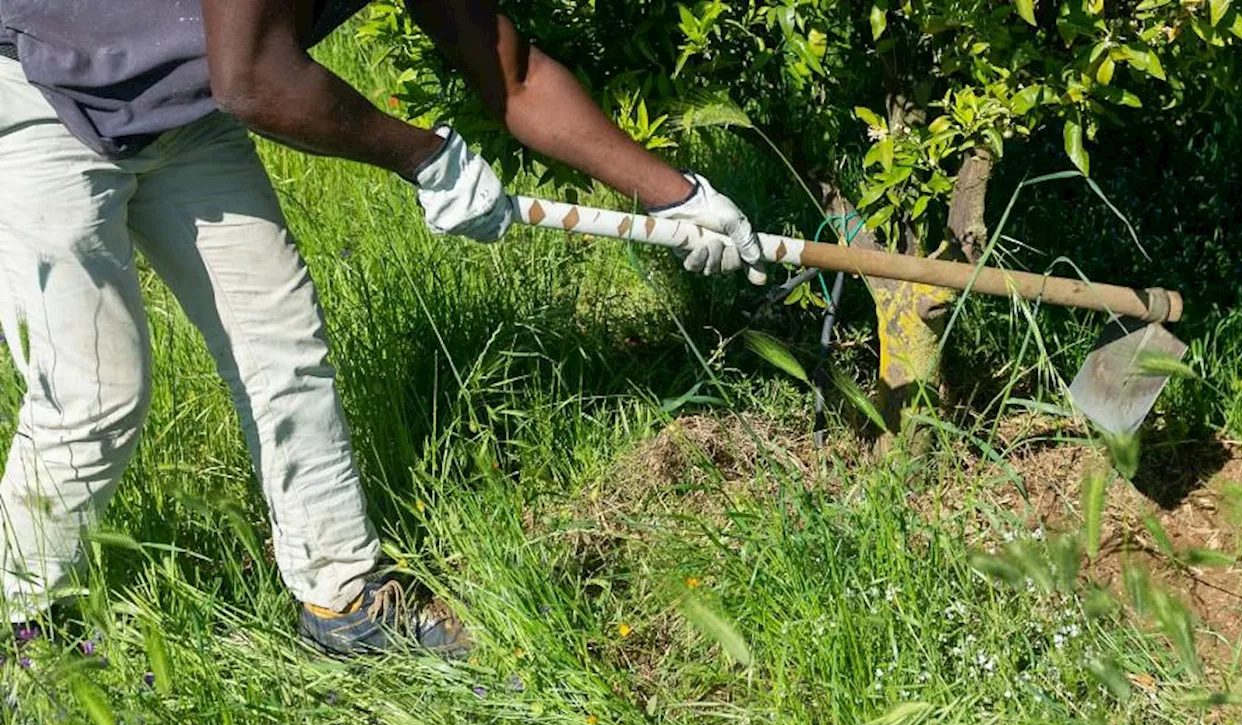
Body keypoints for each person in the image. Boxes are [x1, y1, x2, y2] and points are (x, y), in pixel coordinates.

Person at [0, 0, 764, 656]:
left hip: (181, 111)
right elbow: (255, 82)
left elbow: (512, 73)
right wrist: (426, 160)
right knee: (94, 393)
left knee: (283, 348)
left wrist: (675, 195)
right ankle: (17, 629)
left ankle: (342, 599)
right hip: (39, 91)